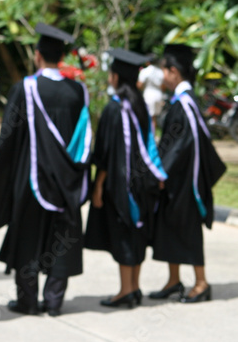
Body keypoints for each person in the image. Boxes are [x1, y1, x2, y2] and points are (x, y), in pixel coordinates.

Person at [0, 22, 92, 317]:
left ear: (38, 55)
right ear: (62, 57)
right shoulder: (78, 91)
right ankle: (55, 302)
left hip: (31, 178)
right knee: (62, 237)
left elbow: (8, 137)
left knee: (28, 238)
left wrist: (1, 173)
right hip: (67, 181)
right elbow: (84, 140)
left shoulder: (26, 89)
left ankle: (28, 302)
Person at [84, 48, 167, 308]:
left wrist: (98, 186)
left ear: (117, 76)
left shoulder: (114, 109)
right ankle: (134, 287)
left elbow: (105, 154)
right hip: (141, 183)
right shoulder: (141, 105)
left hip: (119, 185)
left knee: (123, 234)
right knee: (137, 231)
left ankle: (125, 291)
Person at [150, 43, 226, 303]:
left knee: (187, 229)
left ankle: (202, 283)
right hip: (177, 180)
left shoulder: (185, 103)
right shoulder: (184, 101)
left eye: (164, 70)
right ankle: (173, 280)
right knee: (170, 227)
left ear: (173, 72)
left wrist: (162, 173)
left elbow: (180, 146)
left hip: (184, 181)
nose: (162, 76)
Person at [137, 54, 165, 121]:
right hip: (158, 95)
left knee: (148, 117)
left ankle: (149, 131)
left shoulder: (145, 71)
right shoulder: (160, 72)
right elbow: (163, 87)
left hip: (148, 95)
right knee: (154, 118)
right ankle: (153, 131)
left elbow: (139, 85)